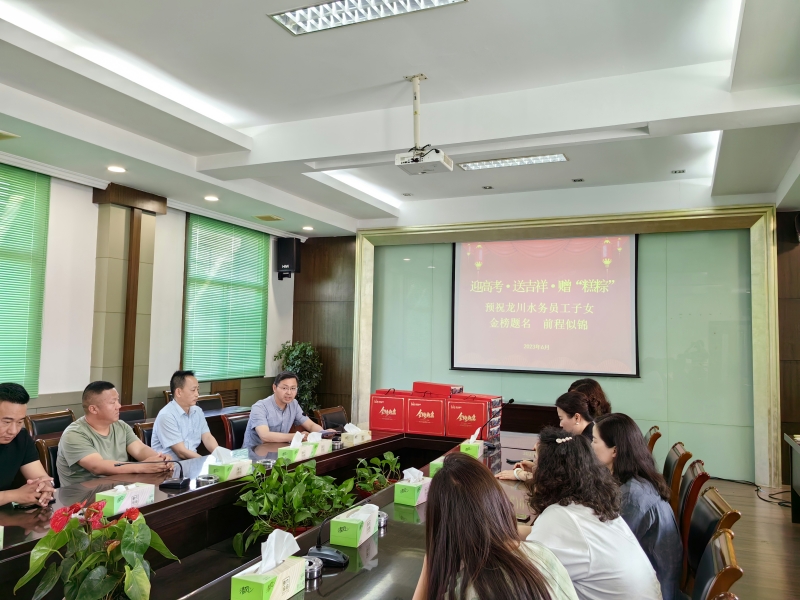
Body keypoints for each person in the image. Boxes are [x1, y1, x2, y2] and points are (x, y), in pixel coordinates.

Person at [413, 452, 578, 600]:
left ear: (442, 527)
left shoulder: (463, 591)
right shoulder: (544, 556)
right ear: (498, 502)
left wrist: (430, 561)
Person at [522, 427, 662, 600]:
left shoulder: (559, 516)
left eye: (536, 462)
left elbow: (527, 575)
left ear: (548, 472)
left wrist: (498, 542)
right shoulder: (592, 505)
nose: (533, 470)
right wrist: (505, 531)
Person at [592, 413, 681, 600]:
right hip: (642, 576)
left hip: (652, 589)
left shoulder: (633, 496)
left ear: (614, 451)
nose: (590, 446)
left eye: (594, 441)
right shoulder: (630, 479)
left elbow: (609, 548)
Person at [57, 381, 173, 486]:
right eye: (113, 402)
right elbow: (97, 466)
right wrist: (141, 467)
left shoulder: (120, 426)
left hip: (119, 490)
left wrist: (160, 460)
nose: (119, 406)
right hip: (84, 497)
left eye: (117, 400)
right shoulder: (74, 434)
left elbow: (140, 449)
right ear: (93, 409)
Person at [243, 371, 333, 446]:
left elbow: (310, 425)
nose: (289, 393)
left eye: (293, 388)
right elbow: (265, 436)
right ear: (274, 388)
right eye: (284, 388)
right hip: (253, 455)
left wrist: (324, 433)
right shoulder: (259, 407)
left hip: (279, 451)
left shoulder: (294, 404)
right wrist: (297, 436)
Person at [0, 383, 55, 507]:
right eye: (7, 422)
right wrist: (13, 495)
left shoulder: (21, 438)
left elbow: (40, 477)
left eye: (20, 422)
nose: (13, 431)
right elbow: (15, 495)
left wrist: (44, 487)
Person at [151, 370, 219, 460]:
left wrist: (220, 455)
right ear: (179, 392)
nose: (197, 394)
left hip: (192, 462)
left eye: (198, 390)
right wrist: (205, 461)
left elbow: (207, 437)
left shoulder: (197, 411)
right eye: (193, 390)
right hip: (171, 465)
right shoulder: (166, 416)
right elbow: (181, 452)